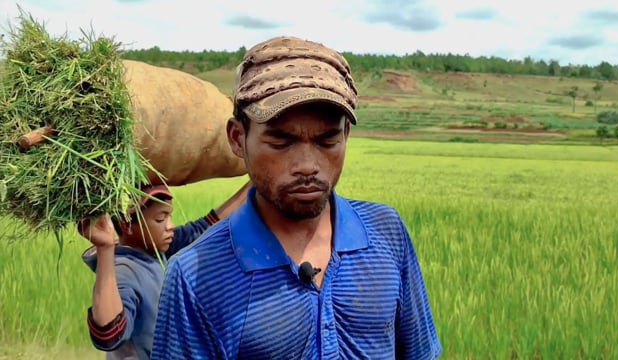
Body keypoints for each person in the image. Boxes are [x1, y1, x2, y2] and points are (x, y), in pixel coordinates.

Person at [151, 36, 442, 359]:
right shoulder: (195, 277)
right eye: (281, 142)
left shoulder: (386, 233)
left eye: (327, 140)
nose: (307, 166)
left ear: (345, 134)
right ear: (238, 138)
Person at [78, 180, 251, 360]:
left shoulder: (158, 252)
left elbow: (204, 228)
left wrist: (255, 185)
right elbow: (109, 336)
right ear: (127, 224)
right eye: (160, 219)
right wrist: (105, 249)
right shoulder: (126, 271)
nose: (170, 226)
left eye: (169, 216)